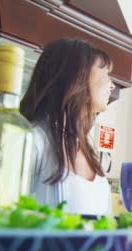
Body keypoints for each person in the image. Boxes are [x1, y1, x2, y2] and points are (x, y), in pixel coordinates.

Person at [20, 38, 115, 215]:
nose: (112, 85)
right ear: (77, 77)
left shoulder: (89, 148)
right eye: (105, 73)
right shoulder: (33, 141)